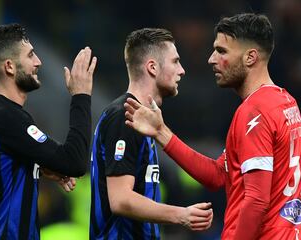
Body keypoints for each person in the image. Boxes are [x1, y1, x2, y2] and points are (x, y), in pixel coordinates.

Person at [124, 13, 301, 240]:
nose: (211, 59)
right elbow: (218, 175)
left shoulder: (255, 111)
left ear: (250, 57)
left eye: (222, 51)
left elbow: (257, 200)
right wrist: (161, 132)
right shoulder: (285, 102)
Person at [0, 23, 97, 239]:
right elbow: (74, 162)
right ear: (10, 67)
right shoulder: (8, 117)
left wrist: (37, 166)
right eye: (31, 55)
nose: (38, 62)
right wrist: (81, 96)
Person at [89, 28, 213, 240]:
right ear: (152, 67)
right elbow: (120, 200)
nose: (182, 70)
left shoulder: (144, 119)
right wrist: (181, 214)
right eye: (175, 61)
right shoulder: (124, 116)